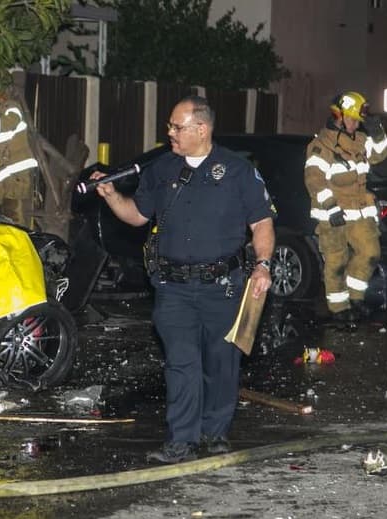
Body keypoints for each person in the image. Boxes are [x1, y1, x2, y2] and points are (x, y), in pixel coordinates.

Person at [89, 96, 275, 464]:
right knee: (181, 362)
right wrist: (111, 196)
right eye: (170, 126)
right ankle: (182, 440)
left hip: (222, 286)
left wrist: (263, 265)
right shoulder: (161, 169)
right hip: (173, 287)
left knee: (221, 362)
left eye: (177, 126)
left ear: (201, 129)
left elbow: (262, 223)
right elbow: (137, 215)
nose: (170, 132)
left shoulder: (238, 171)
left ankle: (215, 431)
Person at [303, 91, 387, 321]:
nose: (355, 124)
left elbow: (381, 153)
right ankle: (339, 309)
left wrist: (378, 132)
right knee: (337, 262)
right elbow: (314, 180)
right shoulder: (322, 145)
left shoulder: (359, 140)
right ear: (338, 117)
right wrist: (331, 208)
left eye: (357, 121)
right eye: (352, 119)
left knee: (371, 253)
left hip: (359, 211)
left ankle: (355, 298)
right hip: (333, 214)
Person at [0, 81, 38, 225]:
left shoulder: (11, 108)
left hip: (16, 178)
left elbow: (2, 126)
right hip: (1, 180)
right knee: (3, 223)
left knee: (16, 220)